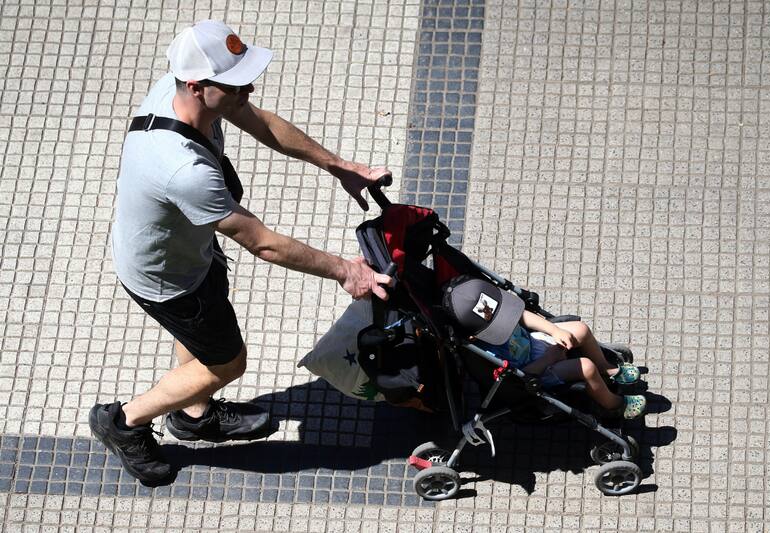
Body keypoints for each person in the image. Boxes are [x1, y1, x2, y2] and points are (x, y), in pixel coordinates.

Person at [89, 20, 393, 483]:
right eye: (235, 85)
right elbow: (262, 242)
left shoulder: (180, 93)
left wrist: (339, 166)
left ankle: (193, 414)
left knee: (205, 337)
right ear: (198, 86)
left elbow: (262, 122)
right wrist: (346, 271)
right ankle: (124, 421)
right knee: (226, 362)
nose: (248, 90)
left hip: (189, 252)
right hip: (168, 279)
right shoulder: (184, 170)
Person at [442, 276, 646, 419]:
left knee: (581, 329)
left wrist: (554, 331)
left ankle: (605, 368)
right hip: (537, 370)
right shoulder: (484, 352)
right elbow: (516, 378)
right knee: (586, 367)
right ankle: (613, 405)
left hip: (534, 342)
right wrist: (550, 358)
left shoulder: (496, 312)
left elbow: (523, 316)